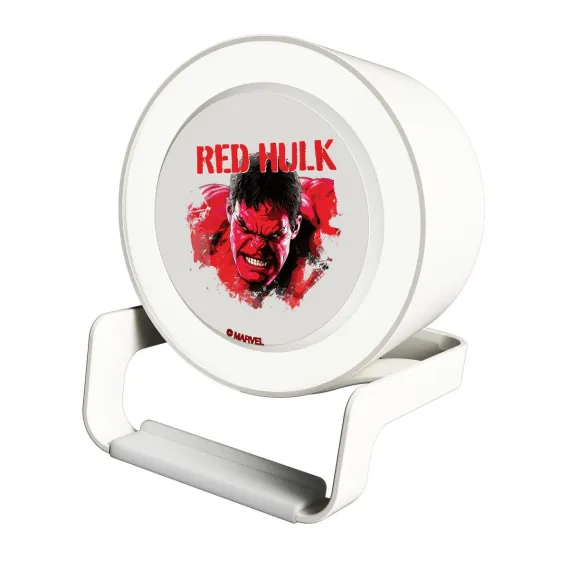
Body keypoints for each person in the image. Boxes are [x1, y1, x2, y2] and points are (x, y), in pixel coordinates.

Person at [187, 152, 339, 308]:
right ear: (229, 212)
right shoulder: (199, 216)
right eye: (245, 228)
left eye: (274, 235)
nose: (258, 245)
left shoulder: (326, 221)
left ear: (295, 227)